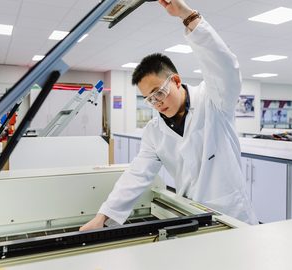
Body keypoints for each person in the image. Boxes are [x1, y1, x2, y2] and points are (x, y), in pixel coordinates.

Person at [80, 0, 257, 231]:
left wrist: (188, 16)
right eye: (150, 100)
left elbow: (225, 67)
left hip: (233, 218)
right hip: (193, 214)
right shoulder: (154, 132)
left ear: (175, 80)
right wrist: (103, 216)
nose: (157, 103)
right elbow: (137, 174)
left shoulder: (214, 101)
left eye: (159, 93)